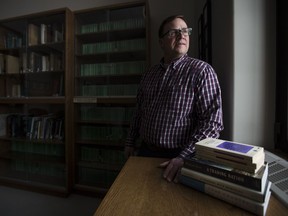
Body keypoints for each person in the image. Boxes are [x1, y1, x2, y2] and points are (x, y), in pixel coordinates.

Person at [125, 15, 224, 182]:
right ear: (161, 42)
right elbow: (139, 111)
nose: (182, 35)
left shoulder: (202, 71)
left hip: (180, 157)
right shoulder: (149, 74)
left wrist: (184, 157)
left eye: (185, 31)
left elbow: (212, 123)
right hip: (144, 151)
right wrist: (130, 142)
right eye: (174, 32)